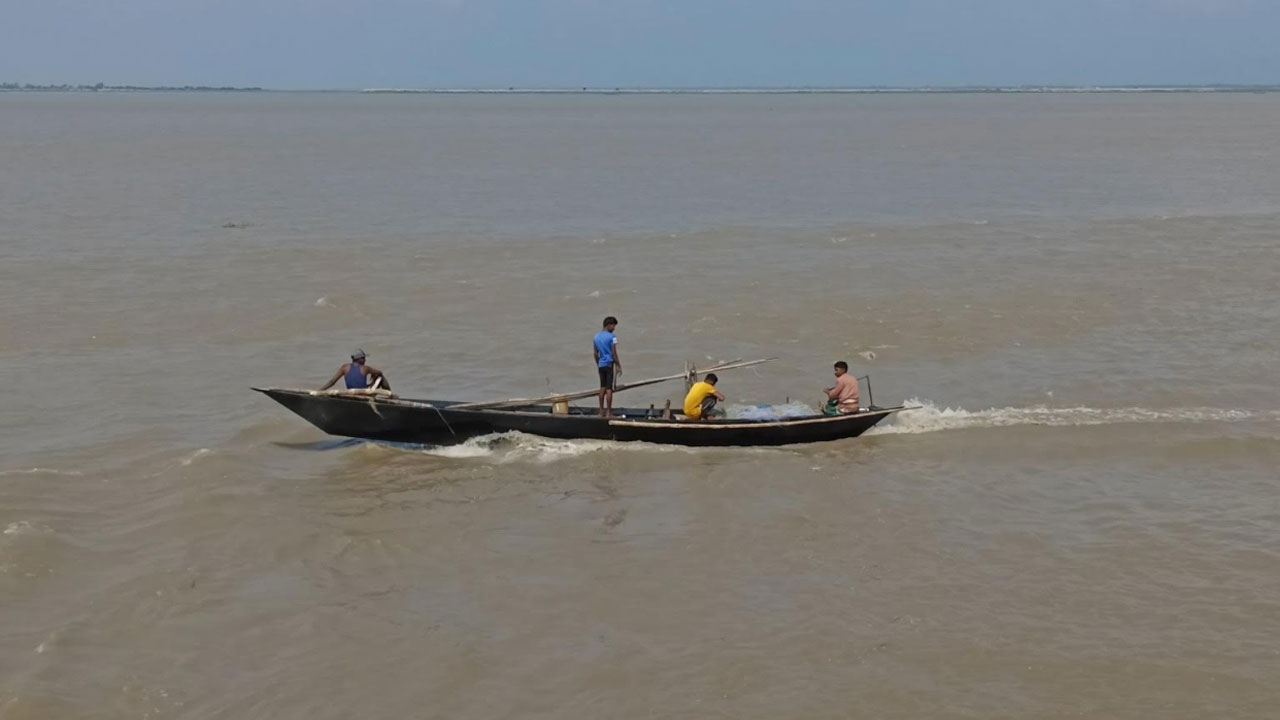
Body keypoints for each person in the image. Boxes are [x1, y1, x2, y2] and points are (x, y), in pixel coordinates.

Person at [320, 349, 390, 392]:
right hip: (364, 394)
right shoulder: (365, 368)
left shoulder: (344, 367)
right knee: (381, 377)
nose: (365, 360)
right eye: (364, 358)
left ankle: (319, 390)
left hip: (351, 392)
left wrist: (319, 391)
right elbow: (380, 372)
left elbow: (332, 382)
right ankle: (390, 395)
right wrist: (374, 375)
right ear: (360, 359)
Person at [593, 316, 622, 417]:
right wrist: (618, 365)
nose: (614, 328)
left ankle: (601, 411)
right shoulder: (612, 337)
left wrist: (598, 364)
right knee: (609, 389)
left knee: (602, 387)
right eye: (613, 326)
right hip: (609, 364)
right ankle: (609, 412)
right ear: (609, 325)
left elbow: (595, 354)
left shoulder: (596, 337)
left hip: (601, 365)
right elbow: (614, 353)